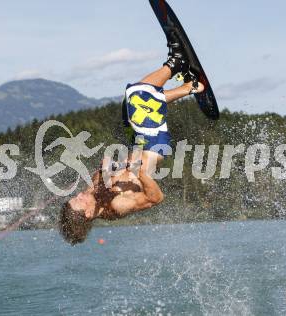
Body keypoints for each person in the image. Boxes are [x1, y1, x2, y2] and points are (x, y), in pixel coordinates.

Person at [59, 33, 205, 245]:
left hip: (138, 144)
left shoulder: (92, 192)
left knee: (130, 101)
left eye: (74, 198)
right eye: (79, 201)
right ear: (88, 214)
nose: (79, 195)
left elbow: (105, 166)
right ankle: (177, 64)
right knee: (138, 96)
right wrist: (140, 173)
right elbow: (156, 198)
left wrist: (106, 169)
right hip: (154, 146)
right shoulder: (118, 206)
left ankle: (190, 85)